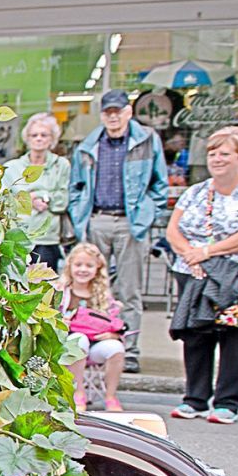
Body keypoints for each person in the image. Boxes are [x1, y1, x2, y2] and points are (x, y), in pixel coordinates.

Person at [164, 127, 238, 424]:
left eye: (224, 153)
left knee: (235, 337)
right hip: (195, 270)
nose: (217, 159)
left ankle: (227, 401)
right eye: (212, 153)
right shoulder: (196, 191)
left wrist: (208, 251)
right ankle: (195, 398)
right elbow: (173, 229)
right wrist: (190, 253)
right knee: (196, 335)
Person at [69, 88, 168, 372]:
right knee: (89, 286)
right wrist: (81, 219)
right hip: (97, 218)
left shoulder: (147, 141)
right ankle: (90, 342)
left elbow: (159, 185)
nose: (113, 117)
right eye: (108, 112)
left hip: (130, 221)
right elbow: (76, 187)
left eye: (118, 111)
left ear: (128, 112)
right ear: (102, 115)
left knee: (129, 289)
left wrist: (149, 213)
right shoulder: (89, 145)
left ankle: (129, 349)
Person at [58, 243, 126, 412]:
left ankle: (111, 396)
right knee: (78, 340)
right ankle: (78, 392)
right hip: (66, 345)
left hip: (96, 344)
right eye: (78, 265)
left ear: (98, 268)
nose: (83, 269)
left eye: (89, 265)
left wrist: (114, 335)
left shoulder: (102, 295)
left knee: (116, 348)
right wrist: (59, 323)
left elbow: (115, 323)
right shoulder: (60, 292)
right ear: (70, 266)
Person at [4, 112, 71, 268]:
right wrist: (30, 199)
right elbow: (4, 201)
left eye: (44, 135)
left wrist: (40, 196)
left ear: (52, 139)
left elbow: (62, 200)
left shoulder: (61, 165)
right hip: (19, 236)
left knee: (45, 286)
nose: (39, 138)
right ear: (27, 139)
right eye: (34, 135)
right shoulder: (12, 168)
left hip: (48, 238)